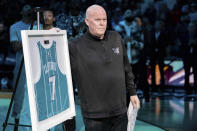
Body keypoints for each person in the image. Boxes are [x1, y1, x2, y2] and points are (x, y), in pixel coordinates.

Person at [69, 5, 140, 131]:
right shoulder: (75, 46)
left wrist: (133, 92)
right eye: (97, 20)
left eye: (104, 20)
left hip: (120, 111)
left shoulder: (116, 37)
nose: (102, 23)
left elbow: (126, 67)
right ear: (86, 21)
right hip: (94, 116)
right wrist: (55, 36)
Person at [9, 4, 33, 131]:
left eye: (30, 7)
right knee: (19, 95)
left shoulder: (38, 26)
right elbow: (15, 47)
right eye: (25, 7)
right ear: (21, 12)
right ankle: (17, 124)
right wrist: (29, 35)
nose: (28, 9)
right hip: (21, 66)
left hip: (35, 65)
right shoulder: (15, 27)